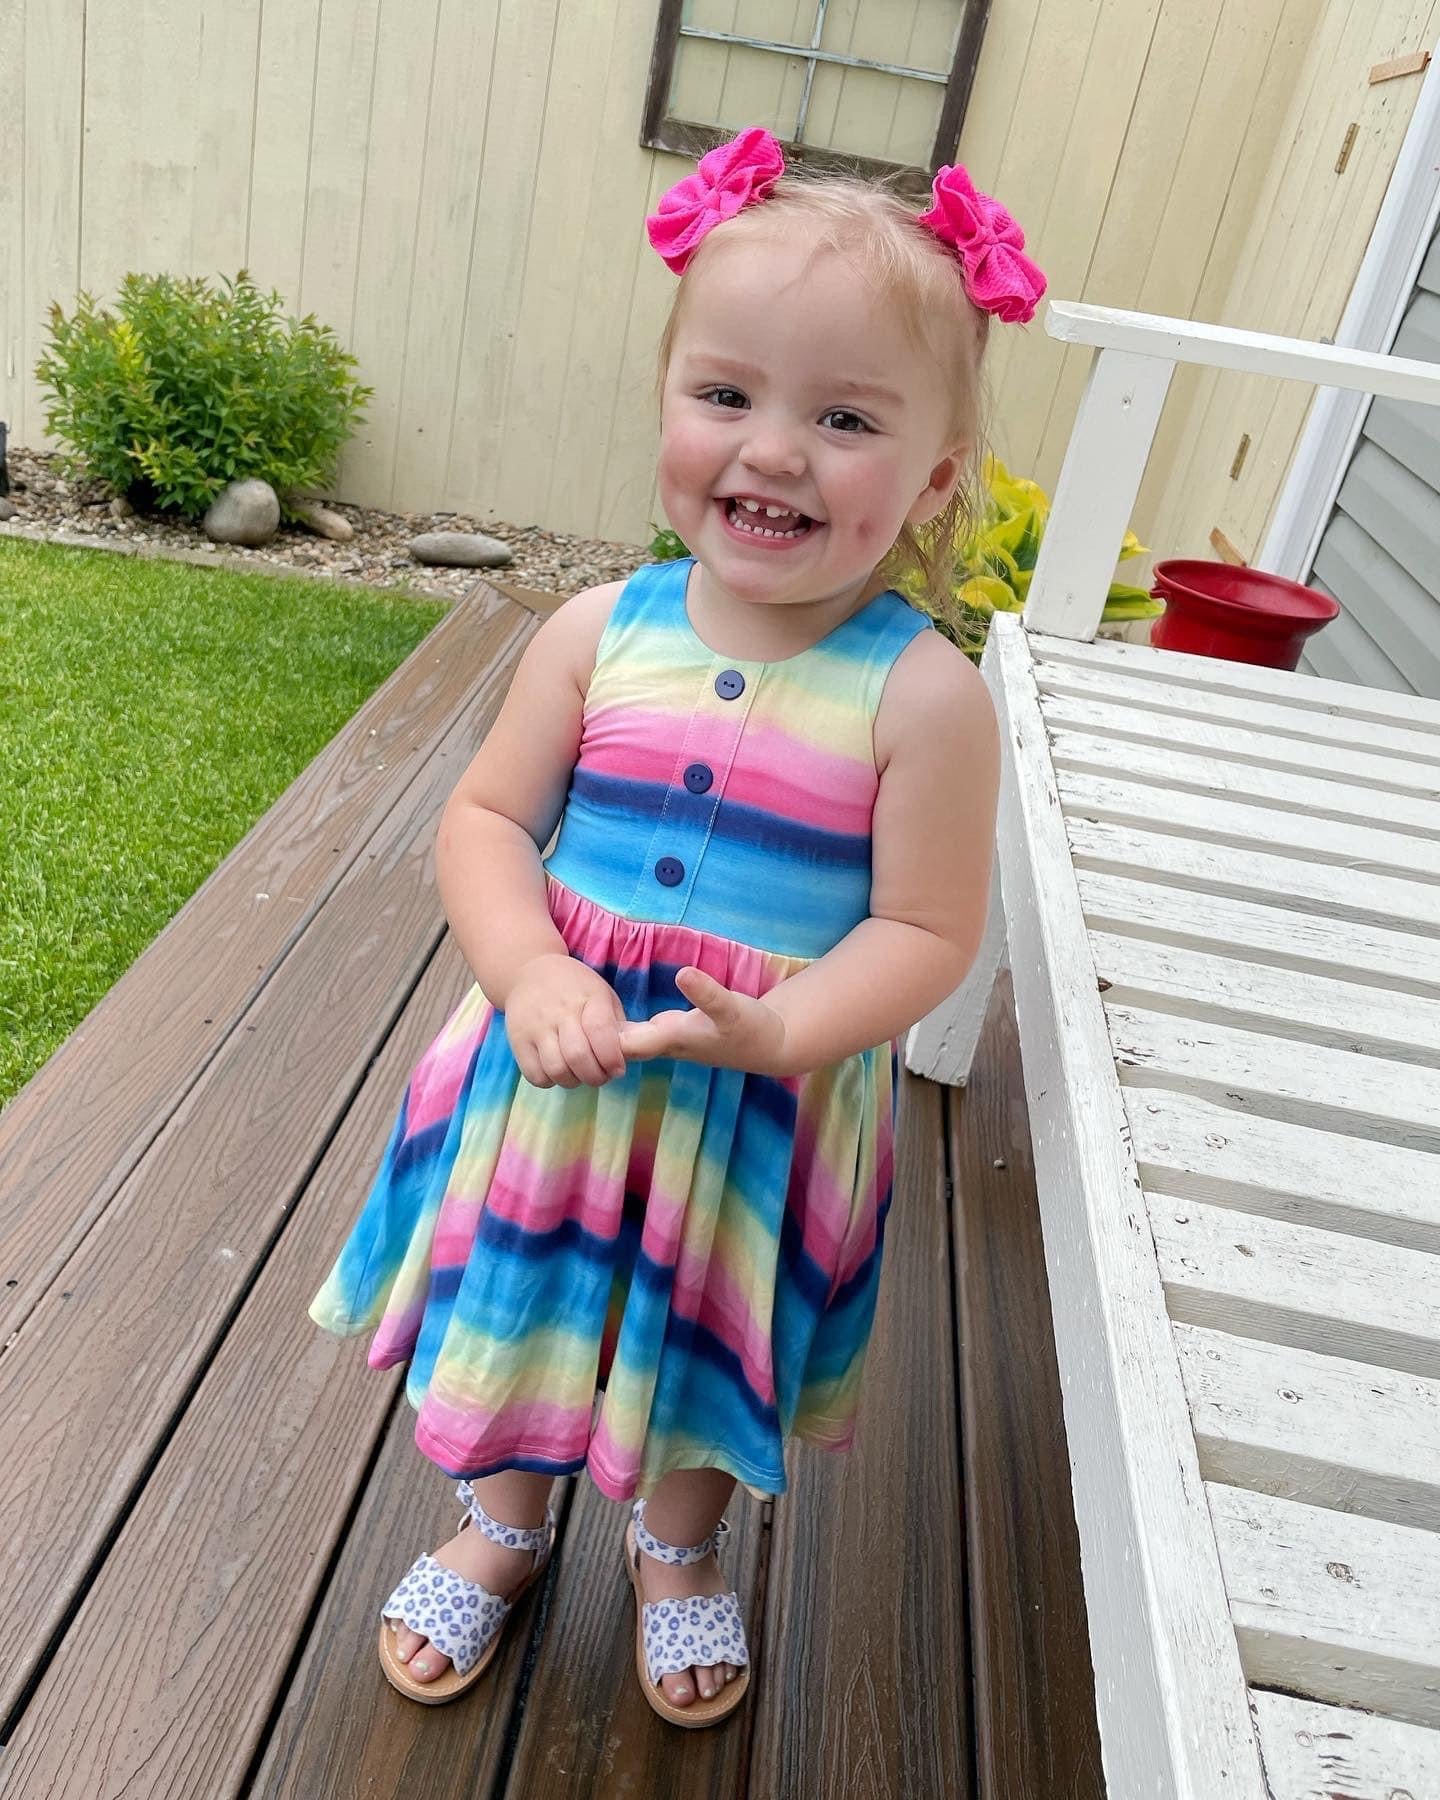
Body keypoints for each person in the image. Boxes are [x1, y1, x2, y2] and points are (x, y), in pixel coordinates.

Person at [308, 124, 1043, 1726]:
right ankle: (504, 1524)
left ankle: (676, 1548)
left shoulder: (924, 699)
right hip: (550, 1078)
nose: (773, 452)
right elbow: (487, 821)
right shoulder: (597, 633)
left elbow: (926, 932)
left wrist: (784, 1029)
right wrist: (528, 968)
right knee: (522, 1305)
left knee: (711, 1337)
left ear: (933, 477)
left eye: (844, 418)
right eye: (727, 395)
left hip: (753, 1112)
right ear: (668, 404)